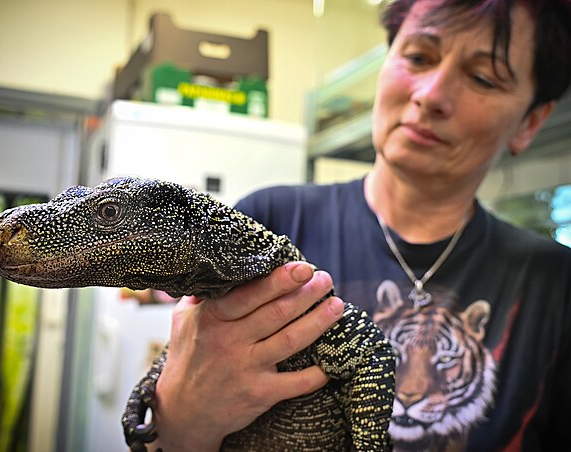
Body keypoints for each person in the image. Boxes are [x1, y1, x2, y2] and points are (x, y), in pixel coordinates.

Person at [146, 0, 571, 450]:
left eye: (483, 78)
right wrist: (181, 414)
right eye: (418, 56)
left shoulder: (555, 284)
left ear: (531, 122)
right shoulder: (267, 222)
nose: (431, 95)